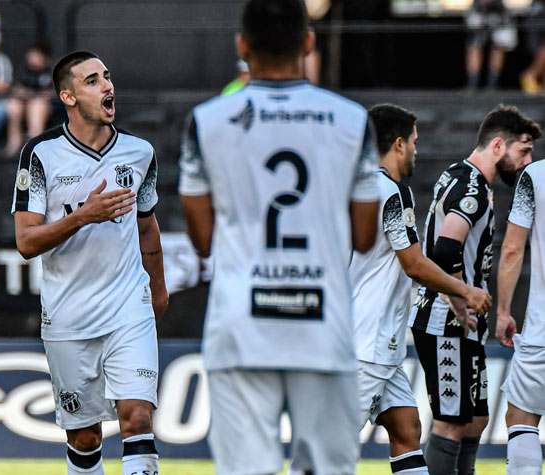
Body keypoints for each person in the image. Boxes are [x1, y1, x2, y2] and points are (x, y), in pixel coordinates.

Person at [178, 0, 381, 473]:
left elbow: (203, 241)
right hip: (322, 324)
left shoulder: (206, 121)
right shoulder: (352, 120)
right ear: (308, 43)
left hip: (240, 324)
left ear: (242, 46)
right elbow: (366, 237)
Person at [12, 50, 168, 475]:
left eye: (107, 77)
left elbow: (147, 226)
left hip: (127, 308)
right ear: (68, 96)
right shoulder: (40, 155)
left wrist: (157, 288)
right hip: (68, 315)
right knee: (85, 437)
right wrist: (84, 216)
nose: (107, 85)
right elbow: (25, 242)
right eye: (93, 80)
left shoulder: (139, 153)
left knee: (137, 418)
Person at [350, 104, 491, 475]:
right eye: (414, 142)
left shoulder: (357, 186)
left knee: (406, 429)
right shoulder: (392, 193)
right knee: (331, 448)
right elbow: (413, 264)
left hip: (378, 342)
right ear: (398, 144)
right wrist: (465, 291)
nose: (416, 150)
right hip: (368, 343)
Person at [408, 105, 540, 475]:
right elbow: (445, 248)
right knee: (451, 422)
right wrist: (459, 299)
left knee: (477, 418)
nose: (527, 161)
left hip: (462, 322)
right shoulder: (471, 187)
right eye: (524, 150)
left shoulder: (462, 176)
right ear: (498, 145)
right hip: (445, 321)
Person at [496, 158, 545, 474]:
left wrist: (503, 311)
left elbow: (513, 249)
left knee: (521, 417)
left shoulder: (535, 175)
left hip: (542, 332)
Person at [5, 39, 55, 155]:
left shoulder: (50, 70)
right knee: (13, 105)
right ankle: (14, 141)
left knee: (37, 105)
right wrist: (26, 94)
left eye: (36, 55)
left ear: (44, 57)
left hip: (44, 107)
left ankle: (34, 143)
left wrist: (33, 95)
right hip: (22, 102)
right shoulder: (22, 69)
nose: (32, 57)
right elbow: (15, 89)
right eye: (31, 54)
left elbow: (51, 92)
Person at [465, 0, 517, 90]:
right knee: (474, 44)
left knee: (499, 45)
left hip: (498, 9)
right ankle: (472, 84)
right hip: (478, 8)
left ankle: (492, 84)